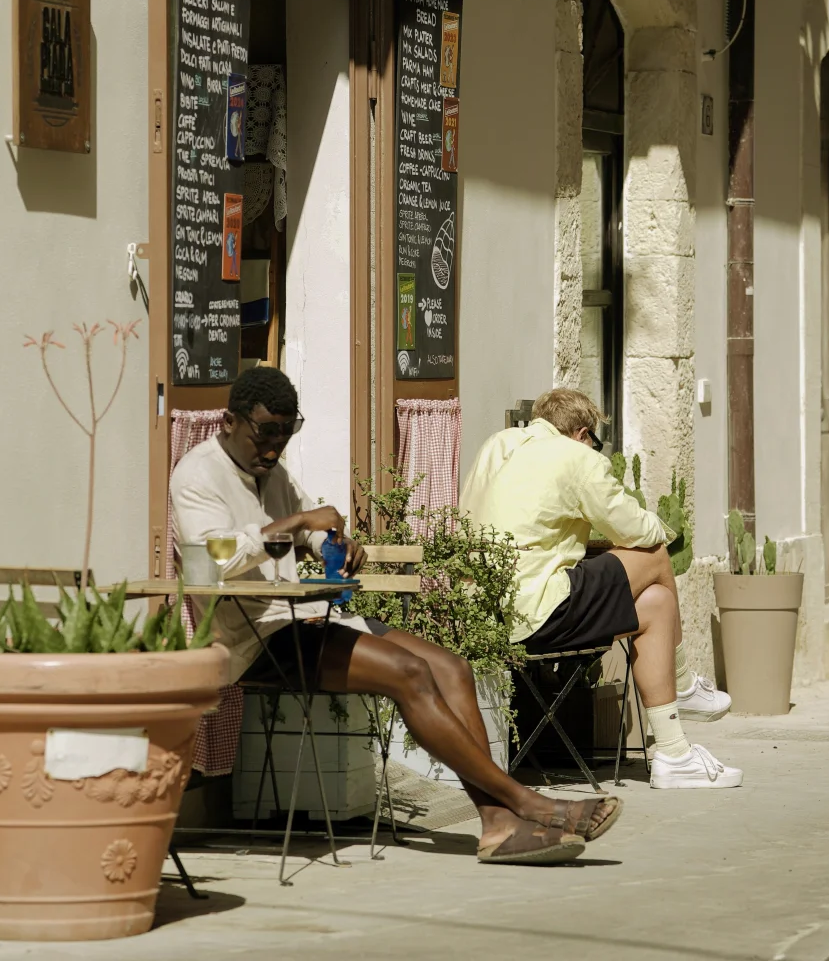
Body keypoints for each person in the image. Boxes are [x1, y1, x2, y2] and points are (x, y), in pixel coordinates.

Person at [170, 366, 623, 863]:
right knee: (409, 673)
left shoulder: (272, 472)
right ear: (230, 421)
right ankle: (527, 804)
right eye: (265, 433)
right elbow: (213, 558)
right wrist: (297, 522)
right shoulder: (197, 475)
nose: (275, 447)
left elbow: (311, 530)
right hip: (252, 637)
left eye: (286, 433)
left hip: (306, 618)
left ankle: (497, 825)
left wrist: (333, 543)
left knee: (452, 667)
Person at [463, 388, 742, 790]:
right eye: (594, 441)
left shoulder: (498, 445)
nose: (595, 448)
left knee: (656, 604)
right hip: (535, 614)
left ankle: (674, 754)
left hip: (483, 614)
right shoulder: (575, 457)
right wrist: (659, 531)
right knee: (655, 554)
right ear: (582, 434)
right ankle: (682, 683)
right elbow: (635, 528)